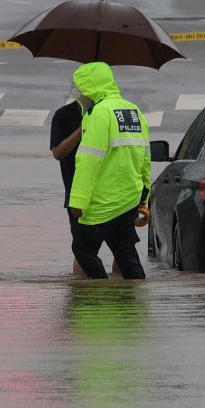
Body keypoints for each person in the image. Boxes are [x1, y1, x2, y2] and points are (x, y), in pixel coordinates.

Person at [66, 62, 151, 281]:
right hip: (129, 200)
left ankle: (100, 290)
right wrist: (144, 196)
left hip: (104, 202)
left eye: (81, 88)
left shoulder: (100, 114)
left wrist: (77, 201)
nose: (79, 94)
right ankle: (134, 300)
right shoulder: (134, 111)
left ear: (91, 88)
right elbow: (145, 158)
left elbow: (88, 161)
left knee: (83, 248)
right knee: (126, 254)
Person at [50, 94, 86, 276]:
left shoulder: (114, 112)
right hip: (79, 196)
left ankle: (123, 296)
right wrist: (82, 129)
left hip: (115, 194)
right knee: (84, 250)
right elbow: (58, 153)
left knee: (123, 250)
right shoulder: (64, 115)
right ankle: (81, 298)